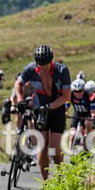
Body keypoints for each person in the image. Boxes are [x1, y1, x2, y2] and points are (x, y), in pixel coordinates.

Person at [14, 45, 71, 180]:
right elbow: (18, 84)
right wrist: (20, 101)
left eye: (46, 65)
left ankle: (60, 178)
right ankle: (46, 183)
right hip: (39, 110)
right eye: (40, 65)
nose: (43, 68)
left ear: (51, 61)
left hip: (57, 110)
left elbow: (66, 96)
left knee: (55, 148)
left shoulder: (62, 71)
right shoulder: (31, 69)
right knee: (42, 147)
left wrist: (49, 107)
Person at [67, 77, 91, 151]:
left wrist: (93, 114)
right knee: (72, 134)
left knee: (88, 130)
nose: (77, 93)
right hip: (77, 113)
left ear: (84, 90)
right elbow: (68, 103)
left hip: (87, 114)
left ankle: (87, 148)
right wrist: (66, 111)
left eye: (80, 91)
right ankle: (70, 150)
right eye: (75, 91)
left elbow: (93, 108)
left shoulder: (88, 95)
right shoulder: (71, 95)